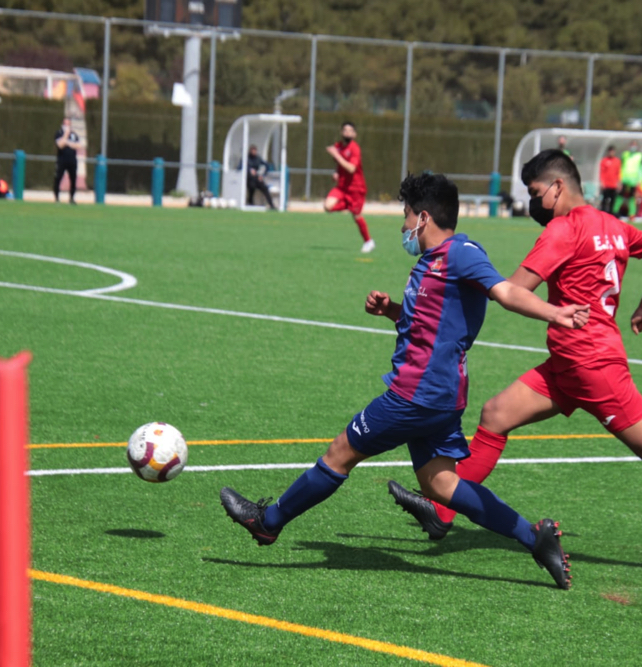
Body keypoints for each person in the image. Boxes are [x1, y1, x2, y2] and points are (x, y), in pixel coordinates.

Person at [388, 150, 642, 543]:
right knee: (497, 414)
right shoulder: (614, 225)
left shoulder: (564, 230)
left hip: (591, 364)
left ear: (556, 187)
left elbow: (513, 290)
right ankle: (442, 516)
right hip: (568, 363)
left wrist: (451, 288)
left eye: (535, 194)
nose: (534, 203)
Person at [220, 172, 592, 590]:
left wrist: (555, 312)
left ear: (424, 216)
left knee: (341, 452)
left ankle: (267, 523)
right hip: (439, 395)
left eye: (405, 215)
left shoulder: (460, 252)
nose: (402, 225)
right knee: (441, 484)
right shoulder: (432, 263)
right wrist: (393, 311)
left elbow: (505, 291)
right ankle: (535, 537)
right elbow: (433, 324)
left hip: (417, 394)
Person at [324, 121, 373, 253]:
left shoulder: (354, 148)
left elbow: (351, 168)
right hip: (342, 187)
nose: (347, 133)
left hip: (356, 188)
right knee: (328, 206)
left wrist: (336, 155)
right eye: (345, 130)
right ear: (341, 132)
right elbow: (339, 165)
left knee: (357, 216)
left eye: (350, 131)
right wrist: (336, 172)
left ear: (354, 134)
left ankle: (368, 241)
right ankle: (348, 206)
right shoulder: (338, 146)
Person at [615, 141, 642, 220]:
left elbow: (641, 169)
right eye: (632, 145)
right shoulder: (625, 155)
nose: (633, 147)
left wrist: (640, 180)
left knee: (632, 197)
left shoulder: (639, 156)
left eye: (634, 146)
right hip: (624, 179)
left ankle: (632, 214)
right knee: (620, 196)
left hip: (634, 180)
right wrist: (619, 179)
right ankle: (615, 212)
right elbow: (620, 167)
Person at [53, 118, 79, 204]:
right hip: (61, 160)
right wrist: (66, 135)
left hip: (72, 161)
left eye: (68, 124)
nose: (67, 126)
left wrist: (67, 143)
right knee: (58, 178)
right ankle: (57, 198)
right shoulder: (59, 133)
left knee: (73, 179)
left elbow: (77, 145)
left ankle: (71, 198)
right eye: (65, 124)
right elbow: (60, 145)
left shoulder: (74, 135)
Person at [245, 145, 276, 209]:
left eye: (255, 151)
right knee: (251, 187)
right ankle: (250, 203)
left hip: (257, 177)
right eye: (252, 151)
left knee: (265, 188)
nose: (254, 152)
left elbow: (266, 165)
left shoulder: (258, 158)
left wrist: (262, 175)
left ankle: (271, 205)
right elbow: (240, 167)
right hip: (248, 178)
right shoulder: (246, 158)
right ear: (250, 151)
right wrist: (249, 170)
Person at [598, 145, 621, 215]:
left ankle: (611, 214)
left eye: (613, 152)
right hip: (606, 184)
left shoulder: (617, 161)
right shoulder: (604, 161)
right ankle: (603, 213)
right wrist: (602, 182)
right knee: (605, 200)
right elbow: (602, 172)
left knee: (613, 200)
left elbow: (619, 173)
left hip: (614, 184)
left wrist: (619, 183)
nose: (611, 153)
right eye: (610, 151)